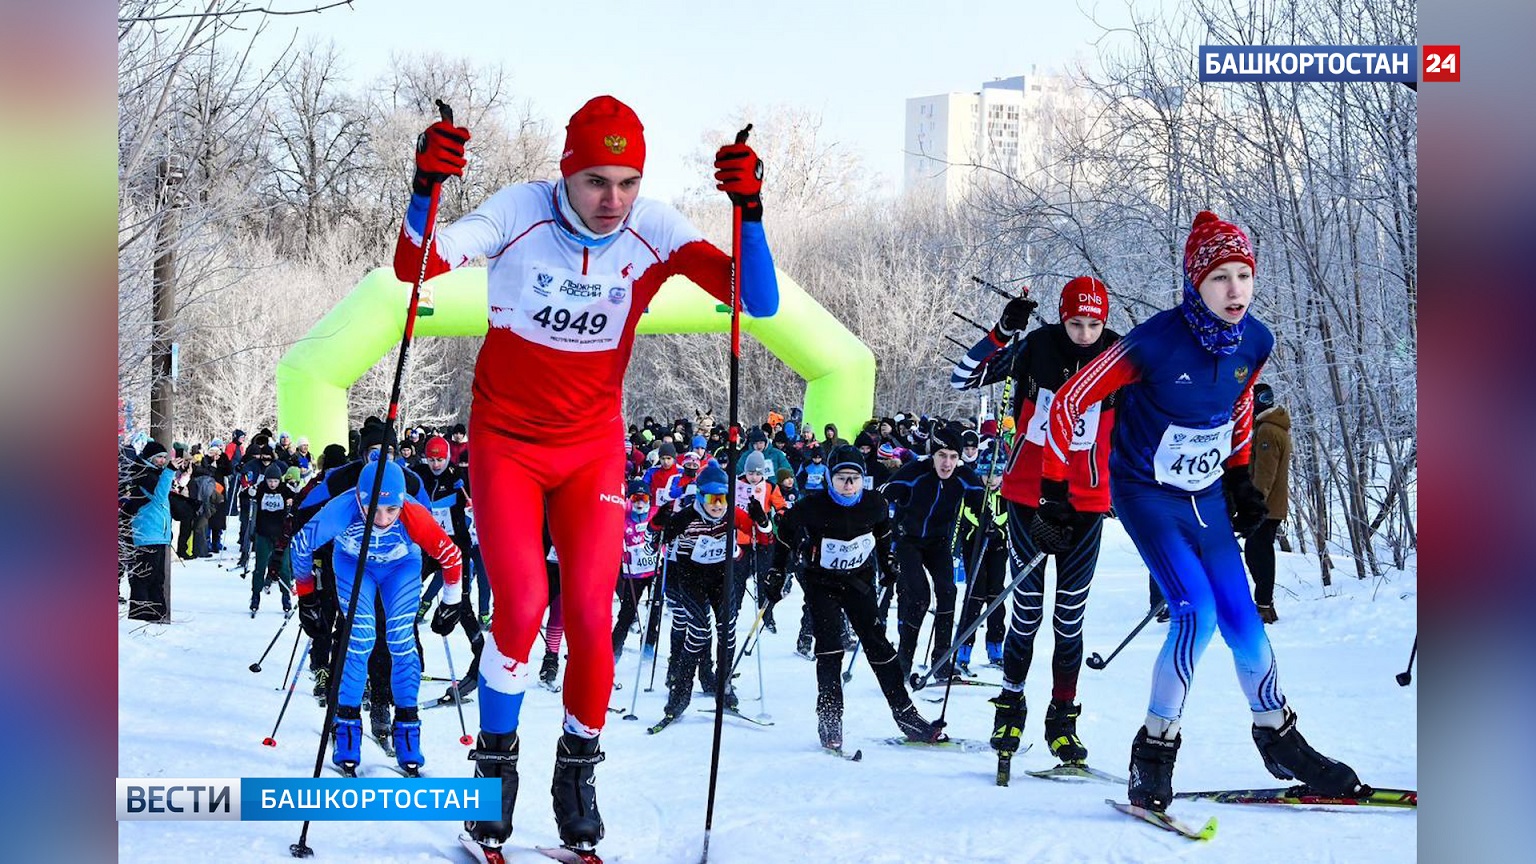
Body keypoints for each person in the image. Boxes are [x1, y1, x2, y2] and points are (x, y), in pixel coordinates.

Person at [396, 94, 778, 855]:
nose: (614, 200)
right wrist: (424, 183)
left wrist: (752, 211)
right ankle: (492, 780)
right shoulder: (520, 211)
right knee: (523, 605)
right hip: (505, 442)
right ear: (566, 174)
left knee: (594, 619)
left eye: (628, 181)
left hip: (591, 450)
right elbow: (415, 265)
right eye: (598, 181)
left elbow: (756, 300)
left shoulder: (653, 226)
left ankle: (577, 777)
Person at [1034, 211, 1362, 811]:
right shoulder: (1155, 340)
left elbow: (1239, 403)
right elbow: (1071, 400)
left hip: (1206, 494)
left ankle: (1279, 736)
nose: (1235, 291)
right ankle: (1154, 749)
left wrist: (1239, 477)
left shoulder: (1256, 340)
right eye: (1220, 279)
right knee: (1196, 613)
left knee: (1244, 617)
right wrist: (1056, 487)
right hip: (1146, 494)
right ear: (1195, 284)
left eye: (1244, 276)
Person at [950, 277, 1121, 766]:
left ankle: (1063, 719)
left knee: (1069, 618)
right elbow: (963, 377)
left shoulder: (1119, 357)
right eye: (1075, 322)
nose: (1085, 333)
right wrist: (1004, 330)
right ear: (1061, 318)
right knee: (1026, 612)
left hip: (1087, 503)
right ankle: (1010, 704)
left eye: (1094, 324)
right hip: (1027, 497)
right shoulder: (1036, 348)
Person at [291, 459, 464, 775]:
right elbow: (301, 546)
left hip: (401, 567)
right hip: (353, 564)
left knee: (401, 640)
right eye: (372, 508)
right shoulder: (342, 508)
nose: (382, 519)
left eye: (390, 510)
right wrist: (307, 598)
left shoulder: (413, 513)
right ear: (358, 497)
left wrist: (451, 604)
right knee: (360, 638)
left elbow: (451, 556)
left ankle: (408, 728)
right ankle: (346, 728)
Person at [768, 444, 946, 750]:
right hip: (821, 583)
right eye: (842, 478)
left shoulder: (874, 503)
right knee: (830, 648)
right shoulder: (813, 506)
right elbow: (784, 533)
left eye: (855, 478)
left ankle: (907, 716)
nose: (849, 485)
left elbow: (883, 532)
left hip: (858, 582)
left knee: (878, 645)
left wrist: (888, 563)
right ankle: (830, 718)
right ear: (829, 478)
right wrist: (776, 572)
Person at [646, 463, 771, 728]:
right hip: (691, 579)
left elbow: (765, 538)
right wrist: (659, 524)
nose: (717, 504)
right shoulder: (687, 516)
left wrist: (761, 519)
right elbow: (652, 542)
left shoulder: (732, 515)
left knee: (728, 629)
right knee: (700, 631)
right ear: (700, 496)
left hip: (721, 577)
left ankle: (723, 685)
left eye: (722, 498)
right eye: (711, 498)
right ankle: (679, 695)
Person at [879, 426, 985, 680]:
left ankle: (942, 660)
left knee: (948, 591)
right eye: (942, 456)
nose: (947, 463)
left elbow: (979, 501)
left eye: (953, 456)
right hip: (908, 541)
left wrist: (986, 519)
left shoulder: (963, 476)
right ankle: (903, 661)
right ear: (933, 455)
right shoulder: (916, 471)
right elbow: (884, 494)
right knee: (919, 596)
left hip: (938, 543)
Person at [122, 441, 182, 621]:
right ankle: (142, 617)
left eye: (165, 457)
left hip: (157, 535)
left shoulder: (155, 474)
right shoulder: (144, 475)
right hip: (147, 535)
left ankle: (156, 616)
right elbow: (159, 496)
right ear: (150, 459)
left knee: (157, 579)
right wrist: (170, 471)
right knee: (144, 579)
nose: (162, 461)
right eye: (159, 457)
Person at [1246, 383, 1290, 624]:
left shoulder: (1267, 432)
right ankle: (1264, 604)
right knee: (1257, 552)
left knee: (1258, 554)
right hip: (1271, 505)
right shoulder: (1275, 428)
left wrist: (1255, 503)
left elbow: (1265, 472)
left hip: (1266, 507)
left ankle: (1264, 606)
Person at [612, 479, 658, 661]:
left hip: (655, 570)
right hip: (634, 573)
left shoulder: (655, 515)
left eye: (644, 498)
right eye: (636, 498)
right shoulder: (623, 520)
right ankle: (615, 648)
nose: (640, 502)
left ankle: (648, 644)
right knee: (627, 611)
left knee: (655, 608)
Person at [249, 463, 296, 618]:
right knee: (260, 566)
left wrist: (291, 499)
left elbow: (296, 497)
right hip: (263, 534)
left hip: (281, 536)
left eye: (275, 481)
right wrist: (249, 491)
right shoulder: (261, 488)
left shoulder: (284, 489)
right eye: (270, 481)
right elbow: (247, 494)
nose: (272, 484)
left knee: (284, 568)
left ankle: (286, 596)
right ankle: (256, 595)